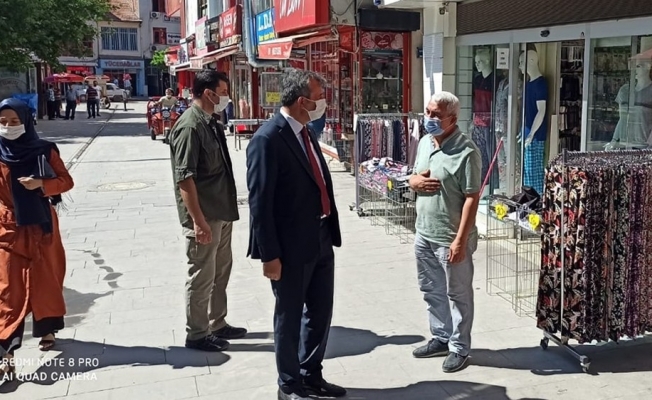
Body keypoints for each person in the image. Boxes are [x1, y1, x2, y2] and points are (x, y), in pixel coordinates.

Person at [246, 69, 345, 400]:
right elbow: (260, 204)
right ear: (302, 101)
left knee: (320, 311)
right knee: (289, 317)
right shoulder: (267, 139)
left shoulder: (306, 132)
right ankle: (289, 384)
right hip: (289, 247)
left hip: (320, 235)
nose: (323, 102)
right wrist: (269, 255)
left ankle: (310, 374)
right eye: (319, 97)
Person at [168, 70, 246, 352]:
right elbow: (185, 178)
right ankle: (197, 334)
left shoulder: (211, 122)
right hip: (204, 215)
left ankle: (217, 322)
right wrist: (198, 222)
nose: (226, 97)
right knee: (202, 276)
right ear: (208, 93)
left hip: (221, 210)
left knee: (220, 272)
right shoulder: (190, 127)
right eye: (223, 92)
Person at [0, 99, 74, 380]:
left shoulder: (44, 149)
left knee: (46, 280)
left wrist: (41, 184)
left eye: (14, 122)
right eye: (3, 122)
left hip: (41, 226)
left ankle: (47, 329)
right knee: (8, 289)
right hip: (8, 228)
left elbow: (66, 181)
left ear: (26, 122)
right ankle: (6, 354)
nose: (8, 127)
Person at [409, 92, 482, 373]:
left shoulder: (467, 152)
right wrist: (413, 182)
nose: (429, 118)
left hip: (450, 238)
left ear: (452, 118)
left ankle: (459, 348)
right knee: (431, 289)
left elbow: (472, 198)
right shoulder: (426, 142)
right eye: (428, 112)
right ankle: (441, 336)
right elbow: (416, 174)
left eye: (436, 115)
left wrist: (460, 241)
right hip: (424, 232)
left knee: (458, 294)